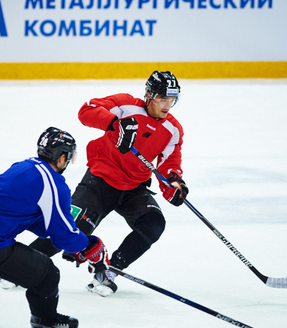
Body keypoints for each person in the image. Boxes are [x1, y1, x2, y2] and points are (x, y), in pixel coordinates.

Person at [0, 127, 110, 328]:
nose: (68, 162)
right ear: (61, 156)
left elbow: (21, 211)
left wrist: (71, 240)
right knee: (47, 274)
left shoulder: (24, 166)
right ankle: (46, 322)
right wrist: (86, 245)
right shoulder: (54, 184)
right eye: (70, 157)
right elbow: (64, 237)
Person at [29, 71, 189, 297]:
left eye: (172, 100)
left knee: (153, 224)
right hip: (100, 182)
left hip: (133, 187)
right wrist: (115, 124)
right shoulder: (125, 105)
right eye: (163, 99)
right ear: (149, 95)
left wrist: (173, 182)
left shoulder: (173, 129)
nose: (167, 105)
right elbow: (86, 111)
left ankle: (110, 271)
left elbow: (169, 163)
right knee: (70, 229)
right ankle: (21, 264)